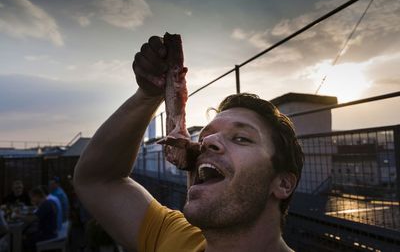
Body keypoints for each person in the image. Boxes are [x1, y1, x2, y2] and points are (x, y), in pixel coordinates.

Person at [74, 35, 304, 252]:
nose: (208, 142)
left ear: (283, 183)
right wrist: (147, 95)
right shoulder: (175, 238)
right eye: (204, 137)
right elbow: (97, 180)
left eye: (241, 138)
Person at [22, 187, 58, 252]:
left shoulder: (45, 205)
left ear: (37, 196)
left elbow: (30, 220)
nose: (31, 200)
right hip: (52, 231)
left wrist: (18, 215)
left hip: (47, 234)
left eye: (32, 197)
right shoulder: (48, 202)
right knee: (28, 232)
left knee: (26, 239)